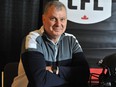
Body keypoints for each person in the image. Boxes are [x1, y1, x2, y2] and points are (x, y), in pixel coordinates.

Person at [12, 1, 90, 87]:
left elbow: (84, 74)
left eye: (62, 19)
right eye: (53, 19)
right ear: (44, 19)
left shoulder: (71, 40)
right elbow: (39, 82)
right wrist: (71, 80)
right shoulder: (33, 39)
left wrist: (55, 70)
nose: (58, 24)